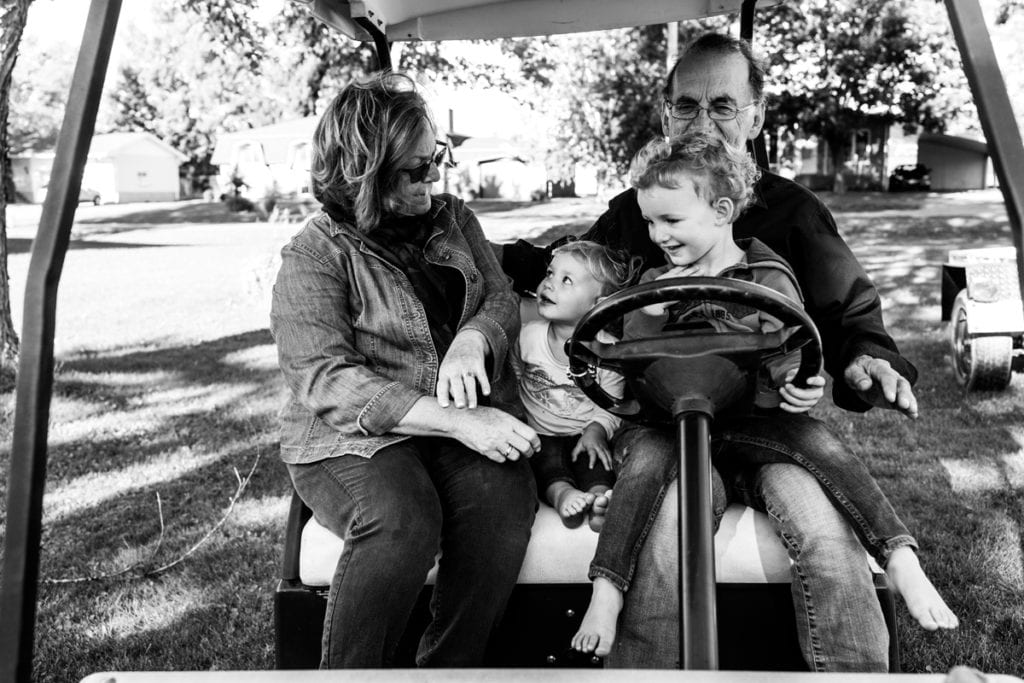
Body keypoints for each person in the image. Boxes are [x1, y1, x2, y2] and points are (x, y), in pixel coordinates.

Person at [498, 33, 929, 671]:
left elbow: (845, 313)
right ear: (666, 112)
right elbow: (575, 274)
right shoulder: (639, 210)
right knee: (669, 522)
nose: (702, 121)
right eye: (685, 106)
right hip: (669, 430)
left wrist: (865, 358)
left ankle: (855, 673)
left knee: (823, 525)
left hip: (767, 424)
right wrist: (489, 267)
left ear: (755, 116)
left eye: (722, 106)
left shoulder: (793, 213)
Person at [570, 132, 958, 658]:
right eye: (650, 222)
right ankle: (618, 610)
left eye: (671, 221)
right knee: (653, 494)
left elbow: (789, 353)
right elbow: (624, 355)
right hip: (672, 432)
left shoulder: (767, 276)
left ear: (722, 210)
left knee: (818, 451)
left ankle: (896, 556)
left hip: (754, 430)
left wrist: (802, 384)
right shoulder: (654, 283)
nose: (657, 234)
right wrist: (647, 313)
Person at [269, 71, 540, 668]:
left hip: (454, 422)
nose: (435, 177)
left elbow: (499, 298)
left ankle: (446, 673)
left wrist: (474, 338)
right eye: (417, 169)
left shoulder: (453, 220)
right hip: (347, 438)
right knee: (401, 519)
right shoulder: (315, 254)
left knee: (503, 504)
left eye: (435, 158)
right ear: (367, 169)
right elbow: (324, 380)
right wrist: (456, 420)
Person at [516, 240, 640, 530]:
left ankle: (599, 500)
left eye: (566, 280)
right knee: (544, 463)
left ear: (597, 305)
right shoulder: (527, 337)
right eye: (549, 273)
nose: (549, 284)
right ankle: (563, 497)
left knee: (597, 461)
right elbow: (508, 380)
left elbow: (612, 407)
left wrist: (595, 432)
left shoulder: (608, 352)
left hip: (585, 432)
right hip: (539, 433)